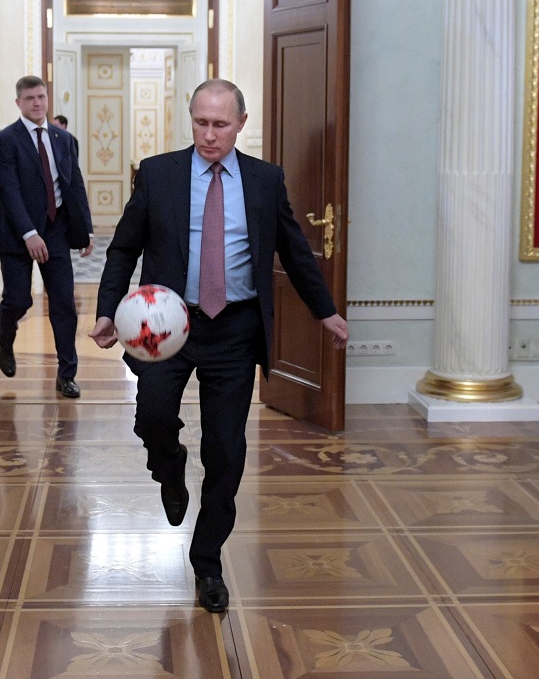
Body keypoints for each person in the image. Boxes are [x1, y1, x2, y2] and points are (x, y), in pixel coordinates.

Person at [89, 78, 348, 612]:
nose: (209, 135)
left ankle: (208, 564)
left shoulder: (263, 180)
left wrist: (326, 312)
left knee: (227, 453)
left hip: (235, 329)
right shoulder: (158, 173)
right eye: (200, 123)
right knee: (153, 416)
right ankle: (168, 465)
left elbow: (296, 252)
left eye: (220, 124)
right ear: (192, 120)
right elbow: (123, 249)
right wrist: (106, 310)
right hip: (166, 325)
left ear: (241, 124)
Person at [0, 76, 94, 398]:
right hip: (17, 233)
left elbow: (74, 185)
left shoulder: (64, 139)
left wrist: (85, 230)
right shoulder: (6, 140)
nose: (37, 103)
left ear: (47, 98)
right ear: (18, 103)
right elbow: (8, 191)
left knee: (64, 303)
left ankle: (67, 374)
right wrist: (29, 233)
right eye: (30, 98)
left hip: (56, 231)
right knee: (18, 299)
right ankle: (4, 337)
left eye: (41, 97)